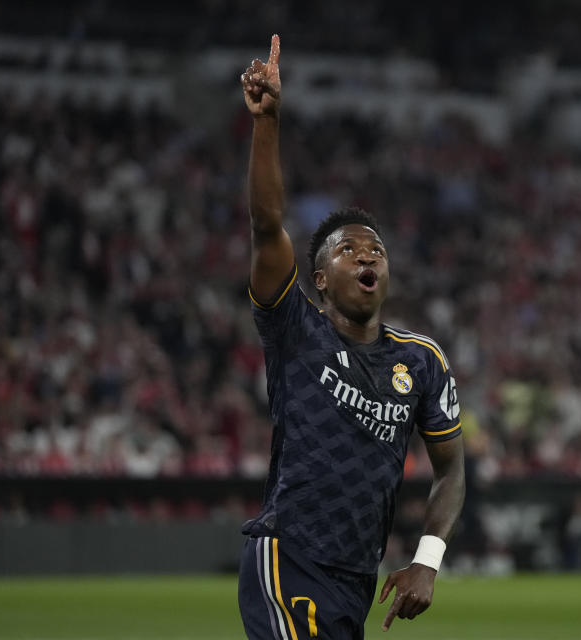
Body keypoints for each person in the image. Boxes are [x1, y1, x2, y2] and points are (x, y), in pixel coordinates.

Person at [235, 35, 466, 640]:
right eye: (348, 249)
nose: (367, 255)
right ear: (319, 278)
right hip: (287, 559)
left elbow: (452, 470)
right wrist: (268, 124)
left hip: (356, 579)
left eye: (377, 249)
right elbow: (266, 226)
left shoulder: (421, 361)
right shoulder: (295, 328)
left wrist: (426, 560)